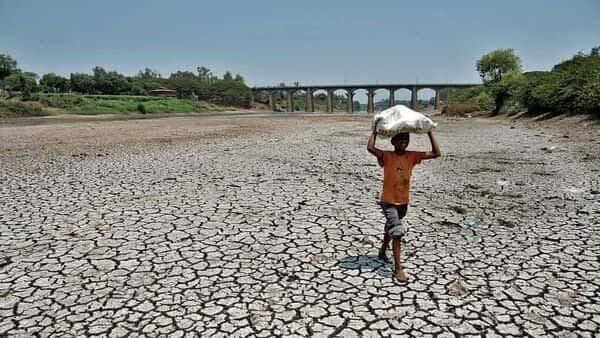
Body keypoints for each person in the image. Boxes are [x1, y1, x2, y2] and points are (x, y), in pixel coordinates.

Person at [367, 120, 441, 283]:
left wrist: (429, 132)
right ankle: (398, 268)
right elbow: (371, 148)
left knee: (391, 227)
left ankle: (381, 251)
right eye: (399, 140)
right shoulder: (387, 155)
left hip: (403, 202)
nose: (402, 143)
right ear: (392, 141)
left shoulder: (412, 156)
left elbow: (436, 153)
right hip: (388, 201)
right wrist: (374, 131)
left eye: (405, 140)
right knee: (397, 232)